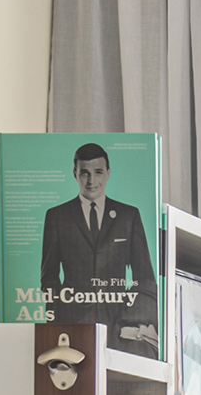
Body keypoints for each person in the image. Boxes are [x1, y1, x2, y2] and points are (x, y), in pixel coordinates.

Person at [39, 141, 156, 348]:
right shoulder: (57, 217)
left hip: (121, 327)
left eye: (98, 172)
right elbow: (49, 279)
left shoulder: (129, 216)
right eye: (84, 173)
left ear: (108, 173)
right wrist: (57, 323)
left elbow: (145, 278)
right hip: (72, 326)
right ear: (75, 173)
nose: (91, 180)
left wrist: (129, 320)